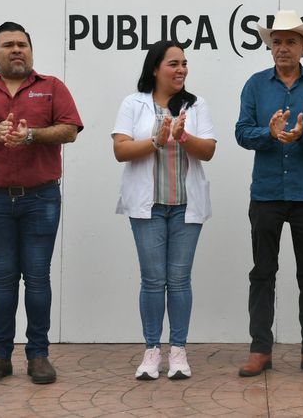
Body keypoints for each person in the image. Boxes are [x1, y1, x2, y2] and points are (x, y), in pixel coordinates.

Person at [0, 21, 83, 386]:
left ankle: (39, 355)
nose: (17, 49)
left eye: (23, 44)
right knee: (4, 280)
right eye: (8, 45)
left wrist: (32, 135)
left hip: (41, 198)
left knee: (37, 279)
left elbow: (69, 128)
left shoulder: (51, 87)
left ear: (32, 51)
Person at [235, 10, 303, 378]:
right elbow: (241, 132)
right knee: (262, 273)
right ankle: (260, 348)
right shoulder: (255, 85)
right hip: (266, 194)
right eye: (276, 41)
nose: (282, 48)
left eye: (290, 41)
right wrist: (268, 133)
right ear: (270, 47)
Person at [112, 40, 216, 381]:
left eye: (185, 63)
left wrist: (183, 137)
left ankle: (179, 352)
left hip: (186, 206)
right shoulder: (133, 103)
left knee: (180, 280)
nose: (182, 69)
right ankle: (152, 351)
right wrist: (157, 140)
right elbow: (121, 150)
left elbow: (209, 151)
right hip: (148, 208)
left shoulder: (196, 104)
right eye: (174, 63)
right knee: (153, 281)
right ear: (155, 68)